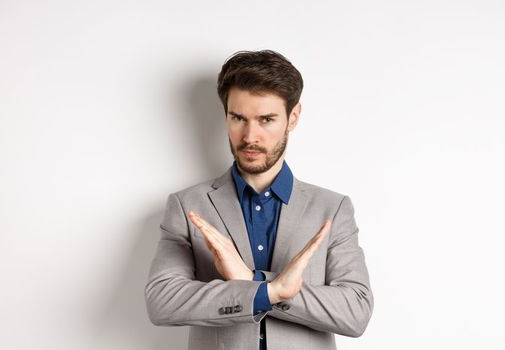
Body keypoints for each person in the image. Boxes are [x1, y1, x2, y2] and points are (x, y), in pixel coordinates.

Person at [145, 50, 373, 349]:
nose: (250, 136)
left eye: (266, 119)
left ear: (293, 118)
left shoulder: (332, 208)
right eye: (238, 118)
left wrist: (251, 279)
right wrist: (270, 291)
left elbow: (355, 313)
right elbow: (163, 302)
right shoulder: (188, 206)